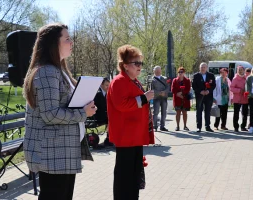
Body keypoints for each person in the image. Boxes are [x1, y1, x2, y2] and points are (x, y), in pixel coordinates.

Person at [23, 23, 96, 200]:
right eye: (67, 39)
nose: (71, 42)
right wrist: (83, 113)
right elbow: (50, 114)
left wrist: (86, 104)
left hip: (62, 152)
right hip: (52, 154)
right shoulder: (47, 72)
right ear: (53, 44)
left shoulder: (59, 70)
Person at [107, 44, 155, 200]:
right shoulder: (119, 81)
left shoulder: (133, 80)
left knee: (133, 177)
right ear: (126, 65)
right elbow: (122, 105)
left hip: (134, 136)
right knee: (124, 178)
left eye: (141, 63)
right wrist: (144, 98)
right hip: (126, 137)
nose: (140, 66)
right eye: (136, 63)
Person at [192, 62, 216, 132]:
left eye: (204, 67)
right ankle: (199, 127)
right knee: (199, 111)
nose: (203, 68)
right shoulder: (196, 76)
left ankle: (207, 126)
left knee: (208, 111)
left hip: (208, 96)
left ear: (206, 68)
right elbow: (194, 86)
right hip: (199, 96)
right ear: (199, 68)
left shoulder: (211, 75)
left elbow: (213, 85)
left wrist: (209, 91)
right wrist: (200, 91)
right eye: (201, 67)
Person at [94, 77, 113, 146]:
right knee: (113, 119)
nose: (108, 87)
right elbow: (102, 106)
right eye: (106, 85)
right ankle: (109, 139)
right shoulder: (98, 93)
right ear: (101, 85)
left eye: (109, 85)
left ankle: (110, 138)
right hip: (98, 115)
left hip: (103, 113)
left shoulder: (105, 93)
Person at [171, 67, 191, 131]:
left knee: (185, 113)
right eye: (179, 72)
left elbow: (188, 89)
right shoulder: (175, 80)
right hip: (177, 99)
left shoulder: (187, 80)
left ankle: (185, 126)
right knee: (178, 113)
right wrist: (177, 94)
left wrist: (182, 93)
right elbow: (172, 89)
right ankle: (177, 126)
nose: (180, 73)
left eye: (181, 72)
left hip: (185, 99)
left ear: (184, 73)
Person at [230, 65, 248, 132]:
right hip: (237, 99)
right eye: (239, 70)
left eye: (241, 70)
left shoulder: (246, 78)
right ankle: (236, 127)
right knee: (236, 113)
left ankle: (243, 126)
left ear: (244, 70)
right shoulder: (235, 78)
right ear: (237, 71)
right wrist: (239, 90)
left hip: (245, 98)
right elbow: (231, 88)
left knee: (245, 113)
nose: (240, 71)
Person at [151, 66, 169, 131]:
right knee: (155, 112)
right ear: (154, 71)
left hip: (164, 98)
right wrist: (159, 93)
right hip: (156, 98)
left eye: (159, 70)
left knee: (164, 112)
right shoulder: (152, 80)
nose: (158, 72)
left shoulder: (165, 78)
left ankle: (162, 126)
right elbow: (151, 89)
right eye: (156, 71)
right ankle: (155, 126)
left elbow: (168, 87)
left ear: (161, 71)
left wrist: (164, 92)